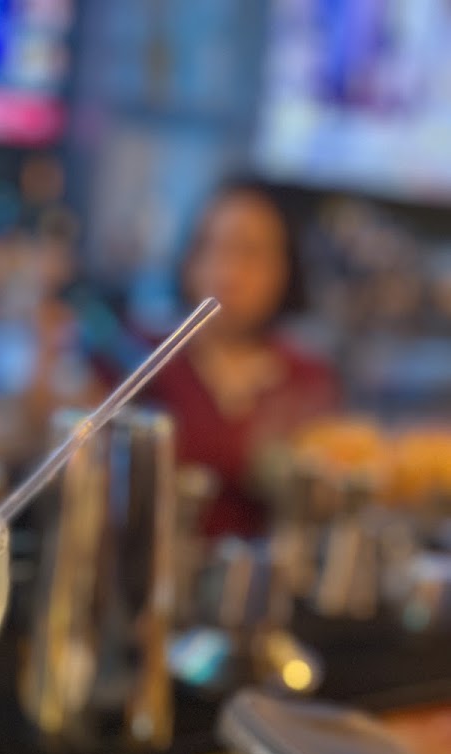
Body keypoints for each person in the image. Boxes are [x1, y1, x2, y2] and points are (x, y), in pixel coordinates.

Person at [86, 179, 341, 537]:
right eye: (212, 247)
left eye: (249, 252)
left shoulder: (308, 378)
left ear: (286, 267)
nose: (228, 271)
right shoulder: (139, 355)